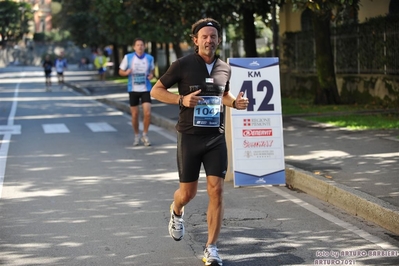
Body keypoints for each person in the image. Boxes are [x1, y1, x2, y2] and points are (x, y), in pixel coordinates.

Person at [150, 18, 248, 266]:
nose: (209, 40)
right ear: (196, 40)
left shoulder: (225, 68)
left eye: (213, 36)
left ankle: (211, 248)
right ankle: (176, 210)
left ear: (218, 40)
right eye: (204, 36)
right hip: (190, 138)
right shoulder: (182, 65)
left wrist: (235, 103)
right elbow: (156, 91)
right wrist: (181, 100)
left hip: (215, 137)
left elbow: (223, 95)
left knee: (216, 190)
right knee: (188, 194)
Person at [119, 38, 155, 146]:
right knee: (135, 115)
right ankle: (136, 135)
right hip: (133, 89)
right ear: (134, 47)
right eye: (138, 45)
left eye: (142, 45)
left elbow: (152, 71)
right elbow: (120, 71)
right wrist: (126, 72)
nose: (140, 47)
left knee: (147, 113)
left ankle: (145, 135)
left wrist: (151, 75)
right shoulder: (128, 57)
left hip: (145, 89)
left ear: (144, 46)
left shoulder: (149, 58)